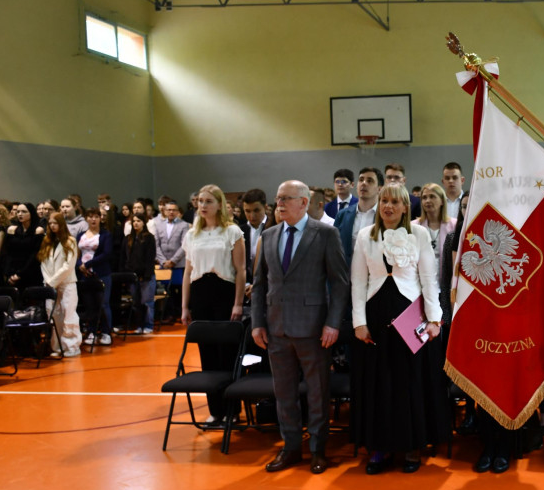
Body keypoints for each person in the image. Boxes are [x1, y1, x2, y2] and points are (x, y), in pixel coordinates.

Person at [252, 181, 349, 475]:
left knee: (318, 392)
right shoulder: (267, 236)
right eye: (278, 199)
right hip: (276, 328)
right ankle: (291, 447)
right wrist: (257, 322)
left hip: (313, 329)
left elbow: (340, 282)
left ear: (304, 203)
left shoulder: (325, 234)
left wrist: (333, 323)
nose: (279, 204)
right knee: (284, 393)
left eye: (286, 199)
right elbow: (259, 285)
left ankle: (318, 449)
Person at [351, 183, 448, 474]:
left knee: (409, 384)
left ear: (406, 207)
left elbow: (429, 279)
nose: (388, 206)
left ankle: (411, 447)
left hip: (411, 316)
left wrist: (434, 319)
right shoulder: (364, 236)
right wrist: (358, 322)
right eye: (384, 201)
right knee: (379, 384)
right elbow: (357, 281)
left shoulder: (418, 234)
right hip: (375, 317)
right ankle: (379, 448)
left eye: (395, 202)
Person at [181, 184, 246, 426]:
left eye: (208, 201)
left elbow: (240, 270)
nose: (203, 206)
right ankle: (215, 410)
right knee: (207, 354)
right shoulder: (191, 235)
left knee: (227, 354)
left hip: (224, 292)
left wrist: (238, 303)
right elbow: (188, 272)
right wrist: (185, 307)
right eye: (200, 201)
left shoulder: (232, 232)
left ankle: (233, 411)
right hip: (200, 293)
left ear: (219, 204)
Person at [39, 212, 82, 358]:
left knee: (68, 315)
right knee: (53, 315)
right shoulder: (47, 241)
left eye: (55, 223)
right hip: (50, 285)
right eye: (50, 223)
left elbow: (68, 265)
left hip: (67, 283)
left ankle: (71, 346)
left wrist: (52, 281)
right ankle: (57, 347)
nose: (52, 226)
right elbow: (43, 263)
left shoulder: (70, 241)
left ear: (61, 224)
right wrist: (48, 282)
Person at [76, 208, 113, 346]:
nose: (93, 219)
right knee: (89, 305)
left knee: (103, 304)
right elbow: (76, 253)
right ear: (86, 218)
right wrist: (80, 265)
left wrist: (88, 264)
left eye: (96, 216)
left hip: (101, 273)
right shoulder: (80, 235)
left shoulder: (106, 235)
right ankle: (91, 331)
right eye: (90, 216)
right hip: (85, 275)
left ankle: (106, 332)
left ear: (100, 218)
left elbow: (107, 254)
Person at [334, 167, 382, 267]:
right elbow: (334, 248)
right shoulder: (342, 215)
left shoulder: (384, 215)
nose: (364, 183)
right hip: (346, 273)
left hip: (375, 274)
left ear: (379, 188)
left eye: (370, 181)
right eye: (361, 180)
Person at [121, 213, 156, 335]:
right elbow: (124, 257)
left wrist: (146, 275)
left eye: (139, 221)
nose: (136, 223)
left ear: (143, 223)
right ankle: (139, 325)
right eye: (134, 221)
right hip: (132, 276)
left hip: (146, 276)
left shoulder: (149, 237)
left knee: (147, 302)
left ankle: (148, 325)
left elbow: (150, 258)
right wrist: (126, 274)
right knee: (136, 303)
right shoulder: (128, 238)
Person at [155, 200, 189, 323]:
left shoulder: (184, 225)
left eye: (174, 210)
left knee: (179, 290)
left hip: (178, 263)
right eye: (169, 210)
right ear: (164, 211)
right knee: (166, 290)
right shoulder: (159, 225)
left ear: (177, 212)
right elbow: (156, 245)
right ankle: (169, 315)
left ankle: (180, 313)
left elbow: (184, 245)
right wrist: (164, 261)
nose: (171, 212)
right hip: (164, 263)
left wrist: (173, 261)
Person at [3, 202, 45, 290]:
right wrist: (10, 273)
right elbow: (8, 253)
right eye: (18, 212)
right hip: (12, 271)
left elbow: (35, 255)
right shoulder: (12, 229)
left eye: (24, 212)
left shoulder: (38, 230)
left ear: (31, 213)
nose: (20, 214)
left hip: (30, 271)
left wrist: (20, 274)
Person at [413, 183, 455, 269]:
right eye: (424, 198)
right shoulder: (413, 226)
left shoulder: (454, 225)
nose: (427, 200)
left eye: (432, 197)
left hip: (447, 276)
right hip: (421, 274)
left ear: (442, 201)